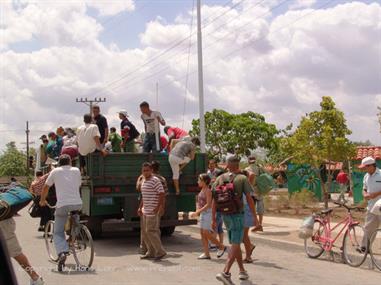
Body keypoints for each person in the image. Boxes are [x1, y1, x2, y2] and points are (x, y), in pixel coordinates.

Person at [212, 156, 258, 284]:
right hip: (237, 214)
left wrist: (213, 219)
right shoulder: (242, 178)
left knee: (235, 243)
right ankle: (225, 272)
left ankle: (242, 271)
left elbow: (214, 199)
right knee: (236, 244)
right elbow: (249, 198)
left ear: (227, 164)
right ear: (238, 165)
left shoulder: (220, 178)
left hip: (225, 215)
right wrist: (255, 217)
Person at [40, 154, 83, 269]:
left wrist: (42, 200)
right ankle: (73, 236)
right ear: (70, 162)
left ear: (59, 163)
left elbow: (46, 187)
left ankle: (62, 252)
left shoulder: (55, 171)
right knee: (75, 217)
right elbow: (79, 184)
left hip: (62, 204)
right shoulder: (76, 170)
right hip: (77, 203)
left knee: (58, 232)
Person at [191, 174, 227, 260]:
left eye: (199, 180)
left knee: (206, 232)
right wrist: (199, 212)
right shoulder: (202, 189)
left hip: (208, 213)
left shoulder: (208, 190)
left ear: (205, 181)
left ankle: (221, 246)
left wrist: (197, 212)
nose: (198, 182)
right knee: (202, 233)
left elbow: (208, 204)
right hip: (203, 213)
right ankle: (207, 254)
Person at [0, 218, 44, 285]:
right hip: (4, 219)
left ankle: (35, 277)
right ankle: (35, 277)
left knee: (16, 252)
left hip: (3, 220)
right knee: (16, 252)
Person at [137, 161, 168, 255]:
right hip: (145, 210)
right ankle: (150, 252)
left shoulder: (156, 180)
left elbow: (162, 194)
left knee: (151, 231)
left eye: (147, 170)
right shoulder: (143, 180)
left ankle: (160, 251)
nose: (145, 172)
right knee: (145, 232)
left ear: (151, 170)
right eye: (144, 171)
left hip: (153, 210)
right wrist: (140, 207)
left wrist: (159, 207)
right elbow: (143, 195)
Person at [359, 157, 381, 251]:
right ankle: (365, 248)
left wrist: (375, 194)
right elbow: (364, 188)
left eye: (365, 167)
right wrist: (364, 194)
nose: (364, 169)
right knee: (368, 228)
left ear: (372, 165)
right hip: (371, 207)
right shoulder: (366, 176)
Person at [207, 159, 224, 251]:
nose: (211, 165)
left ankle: (214, 245)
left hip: (216, 204)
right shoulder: (208, 172)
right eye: (210, 164)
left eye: (213, 164)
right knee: (220, 226)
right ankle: (220, 244)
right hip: (218, 204)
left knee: (215, 225)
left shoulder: (218, 173)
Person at [246, 155, 264, 232]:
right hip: (259, 190)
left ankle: (257, 225)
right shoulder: (260, 168)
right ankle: (259, 224)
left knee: (251, 209)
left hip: (251, 191)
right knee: (260, 210)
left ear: (248, 161)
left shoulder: (247, 169)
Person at [241, 170, 257, 263]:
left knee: (244, 235)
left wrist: (246, 169)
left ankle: (248, 256)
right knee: (243, 235)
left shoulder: (248, 185)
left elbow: (252, 173)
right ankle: (249, 247)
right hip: (244, 211)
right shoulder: (244, 185)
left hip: (246, 211)